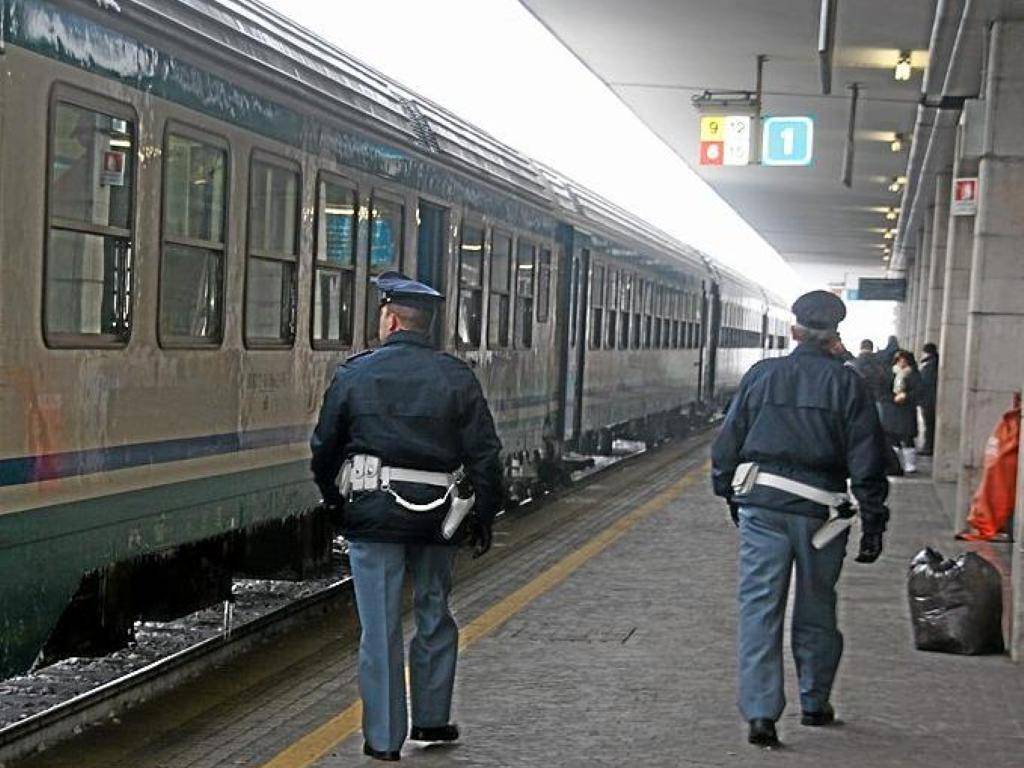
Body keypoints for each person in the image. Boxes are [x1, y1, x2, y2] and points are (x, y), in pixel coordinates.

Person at [310, 272, 504, 761]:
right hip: (437, 518)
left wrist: (335, 504)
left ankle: (383, 739)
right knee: (435, 613)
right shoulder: (456, 376)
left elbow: (325, 448)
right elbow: (484, 453)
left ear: (391, 318)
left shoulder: (355, 374)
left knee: (380, 629)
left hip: (373, 516)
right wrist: (483, 513)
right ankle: (433, 722)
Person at [711, 290, 889, 749]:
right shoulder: (849, 385)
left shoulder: (762, 375)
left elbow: (727, 443)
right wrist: (874, 521)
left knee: (759, 608)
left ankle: (760, 715)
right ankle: (814, 701)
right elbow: (867, 459)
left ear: (794, 332)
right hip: (821, 513)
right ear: (835, 335)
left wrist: (727, 491)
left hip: (764, 508)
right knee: (816, 607)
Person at [880, 350, 922, 474]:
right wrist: (892, 398)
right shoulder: (889, 373)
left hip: (907, 409)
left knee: (907, 437)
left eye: (904, 360)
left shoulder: (914, 374)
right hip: (892, 409)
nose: (902, 362)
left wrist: (906, 396)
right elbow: (882, 391)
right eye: (899, 360)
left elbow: (919, 391)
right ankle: (894, 463)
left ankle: (910, 464)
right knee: (892, 437)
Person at [919, 343, 939, 455]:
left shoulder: (928, 365)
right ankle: (928, 446)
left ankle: (928, 447)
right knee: (930, 424)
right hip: (931, 399)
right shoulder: (935, 362)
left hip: (928, 400)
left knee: (929, 424)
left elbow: (925, 383)